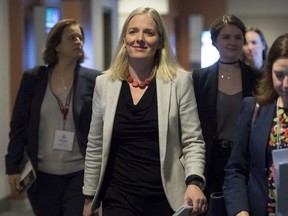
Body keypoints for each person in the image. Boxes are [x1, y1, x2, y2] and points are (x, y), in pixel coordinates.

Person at [82, 6, 207, 216]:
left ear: (160, 42)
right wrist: (89, 197)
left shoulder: (180, 82)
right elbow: (95, 145)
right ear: (124, 39)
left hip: (165, 197)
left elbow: (193, 141)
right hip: (119, 196)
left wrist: (194, 181)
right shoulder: (104, 83)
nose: (139, 38)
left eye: (148, 33)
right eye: (133, 32)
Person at [5, 19, 101, 216]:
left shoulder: (94, 79)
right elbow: (18, 124)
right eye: (72, 37)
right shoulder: (34, 78)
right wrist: (12, 165)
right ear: (56, 45)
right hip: (42, 176)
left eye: (80, 38)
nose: (78, 42)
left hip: (79, 174)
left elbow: (101, 126)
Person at [192, 14, 257, 213]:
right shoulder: (199, 78)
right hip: (210, 159)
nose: (232, 42)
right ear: (214, 41)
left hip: (244, 158)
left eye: (238, 37)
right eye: (226, 37)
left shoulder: (257, 77)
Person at [223, 33, 288, 216]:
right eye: (280, 75)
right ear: (270, 73)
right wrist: (240, 211)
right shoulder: (254, 108)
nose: (286, 84)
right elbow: (236, 169)